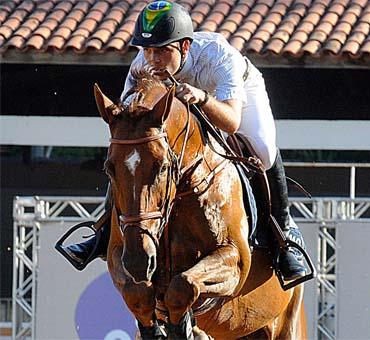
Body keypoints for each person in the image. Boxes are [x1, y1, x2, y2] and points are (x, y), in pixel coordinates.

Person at [60, 0, 307, 281]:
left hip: (232, 97)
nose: (154, 59)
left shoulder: (218, 56)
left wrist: (202, 98)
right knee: (131, 157)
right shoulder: (142, 65)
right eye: (148, 50)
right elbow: (129, 126)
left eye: (163, 51)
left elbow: (231, 121)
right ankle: (102, 233)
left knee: (262, 151)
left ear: (185, 47)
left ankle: (284, 238)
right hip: (182, 104)